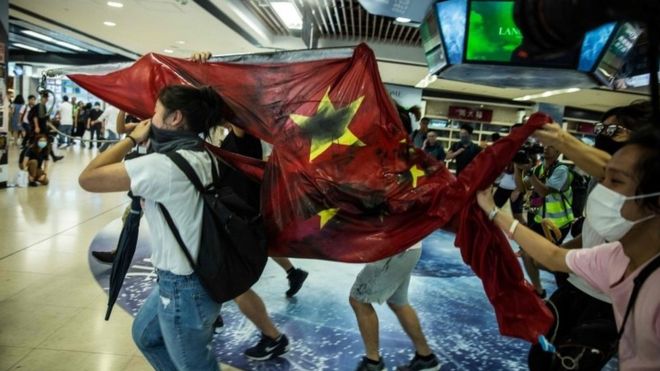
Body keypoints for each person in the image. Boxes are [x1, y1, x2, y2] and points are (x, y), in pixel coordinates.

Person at [476, 126, 660, 371]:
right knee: (542, 358)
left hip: (599, 305)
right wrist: (494, 212)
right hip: (575, 289)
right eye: (603, 177)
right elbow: (554, 257)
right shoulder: (613, 258)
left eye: (614, 180)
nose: (602, 188)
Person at [79, 85, 231, 371]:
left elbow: (88, 178)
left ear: (175, 119)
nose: (149, 118)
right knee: (146, 336)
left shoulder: (165, 167)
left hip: (183, 285)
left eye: (156, 111)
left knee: (195, 366)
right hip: (193, 277)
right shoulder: (199, 153)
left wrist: (130, 139)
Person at [527, 102, 652, 370]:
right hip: (575, 287)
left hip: (609, 302)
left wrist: (561, 139)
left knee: (570, 364)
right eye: (601, 128)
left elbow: (613, 168)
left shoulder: (645, 185)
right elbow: (592, 235)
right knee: (540, 357)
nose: (604, 135)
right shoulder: (601, 182)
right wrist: (555, 255)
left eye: (614, 130)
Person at [350, 242, 441, 371]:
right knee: (398, 302)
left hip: (394, 250)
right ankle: (426, 359)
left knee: (359, 301)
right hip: (407, 249)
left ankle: (373, 364)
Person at [515, 144, 574, 297]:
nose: (546, 148)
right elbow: (522, 188)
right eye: (545, 146)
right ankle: (538, 290)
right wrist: (517, 167)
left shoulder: (561, 170)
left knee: (547, 258)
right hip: (541, 221)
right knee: (526, 253)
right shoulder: (539, 169)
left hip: (558, 223)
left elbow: (544, 191)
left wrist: (529, 171)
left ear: (558, 151)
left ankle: (568, 275)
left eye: (551, 147)